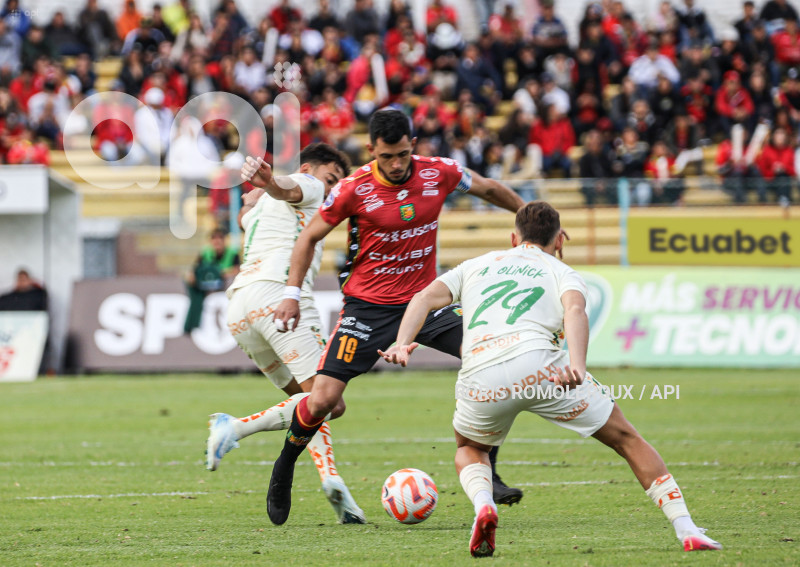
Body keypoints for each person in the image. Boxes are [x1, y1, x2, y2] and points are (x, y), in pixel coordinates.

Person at [378, 201, 723, 557]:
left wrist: (402, 344)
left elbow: (422, 298)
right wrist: (577, 364)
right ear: (559, 240)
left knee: (471, 448)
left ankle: (484, 505)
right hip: (544, 368)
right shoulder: (562, 271)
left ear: (514, 238)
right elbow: (575, 310)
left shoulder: (476, 265)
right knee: (627, 439)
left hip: (481, 372)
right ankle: (686, 527)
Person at [264, 109, 530, 525]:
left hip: (428, 303)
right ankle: (284, 467)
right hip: (367, 310)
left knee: (493, 361)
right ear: (372, 150)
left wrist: (529, 226)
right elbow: (309, 236)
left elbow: (491, 189)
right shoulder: (353, 188)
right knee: (323, 401)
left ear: (413, 145)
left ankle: (487, 471)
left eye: (403, 154)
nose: (397, 163)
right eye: (388, 156)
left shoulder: (438, 171)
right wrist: (291, 294)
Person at [204, 143, 367, 524]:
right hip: (280, 296)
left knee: (308, 404)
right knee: (331, 401)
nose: (332, 191)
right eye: (330, 180)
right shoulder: (309, 185)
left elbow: (248, 212)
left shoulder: (257, 210)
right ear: (311, 169)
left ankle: (333, 482)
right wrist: (271, 182)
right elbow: (290, 188)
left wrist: (258, 193)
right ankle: (236, 427)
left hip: (241, 308)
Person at [183, 229, 240, 333]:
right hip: (206, 285)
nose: (217, 242)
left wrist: (221, 273)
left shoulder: (232, 253)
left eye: (219, 238)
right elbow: (195, 269)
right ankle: (192, 322)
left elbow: (237, 270)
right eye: (214, 239)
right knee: (192, 286)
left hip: (225, 285)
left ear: (224, 241)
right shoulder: (205, 253)